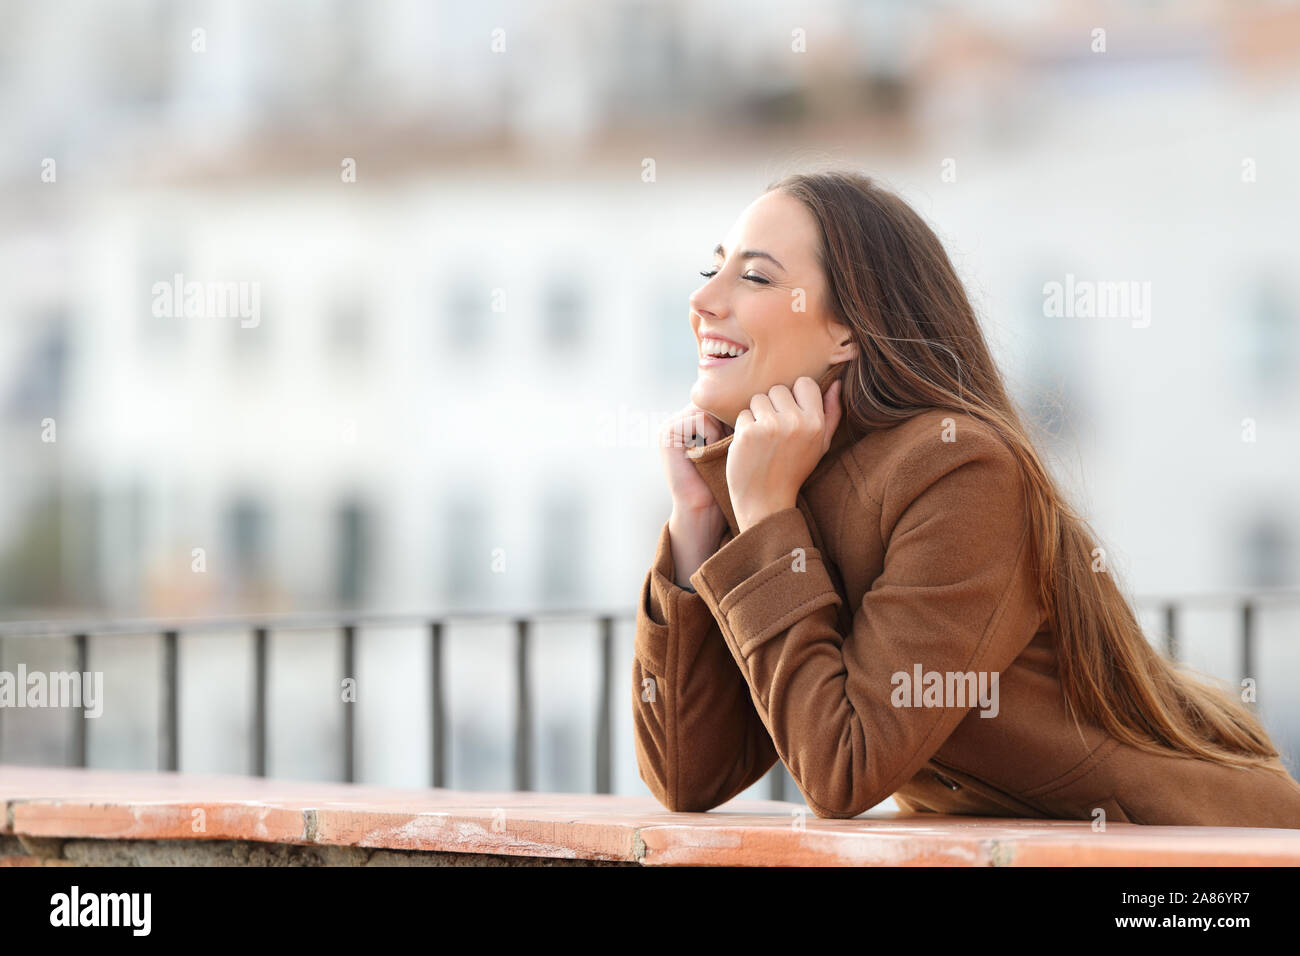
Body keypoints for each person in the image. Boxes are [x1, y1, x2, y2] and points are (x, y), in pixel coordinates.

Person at [632, 169, 1300, 827]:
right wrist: (695, 520)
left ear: (849, 331)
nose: (704, 302)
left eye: (753, 277)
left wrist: (768, 519)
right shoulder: (776, 478)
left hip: (1193, 854)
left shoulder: (957, 468)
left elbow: (842, 769)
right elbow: (688, 775)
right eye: (711, 270)